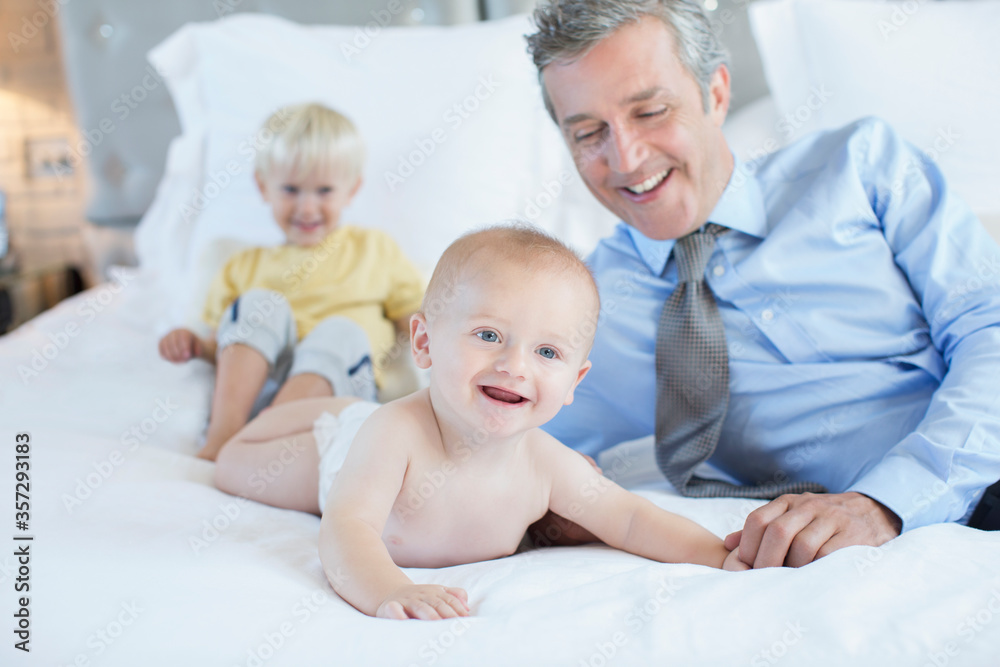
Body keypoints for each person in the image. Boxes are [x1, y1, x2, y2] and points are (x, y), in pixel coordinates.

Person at [524, 0, 1000, 568]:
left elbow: (988, 327)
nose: (625, 157)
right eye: (588, 132)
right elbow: (481, 431)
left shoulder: (863, 165)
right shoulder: (578, 304)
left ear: (716, 94)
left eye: (650, 111)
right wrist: (542, 501)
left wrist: (890, 499)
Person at [213, 225, 746, 620]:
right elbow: (346, 528)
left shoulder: (545, 464)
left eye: (546, 351)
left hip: (361, 422)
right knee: (232, 461)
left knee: (328, 409)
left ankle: (331, 370)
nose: (514, 367)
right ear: (424, 342)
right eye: (489, 335)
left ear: (574, 381)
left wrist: (720, 556)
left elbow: (630, 518)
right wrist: (388, 590)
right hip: (341, 446)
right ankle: (320, 377)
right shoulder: (395, 434)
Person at [158, 103, 423, 461]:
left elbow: (417, 320)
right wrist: (191, 343)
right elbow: (221, 346)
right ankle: (225, 439)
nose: (307, 207)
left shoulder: (374, 249)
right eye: (291, 190)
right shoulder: (242, 266)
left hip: (337, 394)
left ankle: (256, 443)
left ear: (352, 189)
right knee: (255, 304)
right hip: (259, 391)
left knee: (340, 331)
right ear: (263, 186)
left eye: (324, 190)